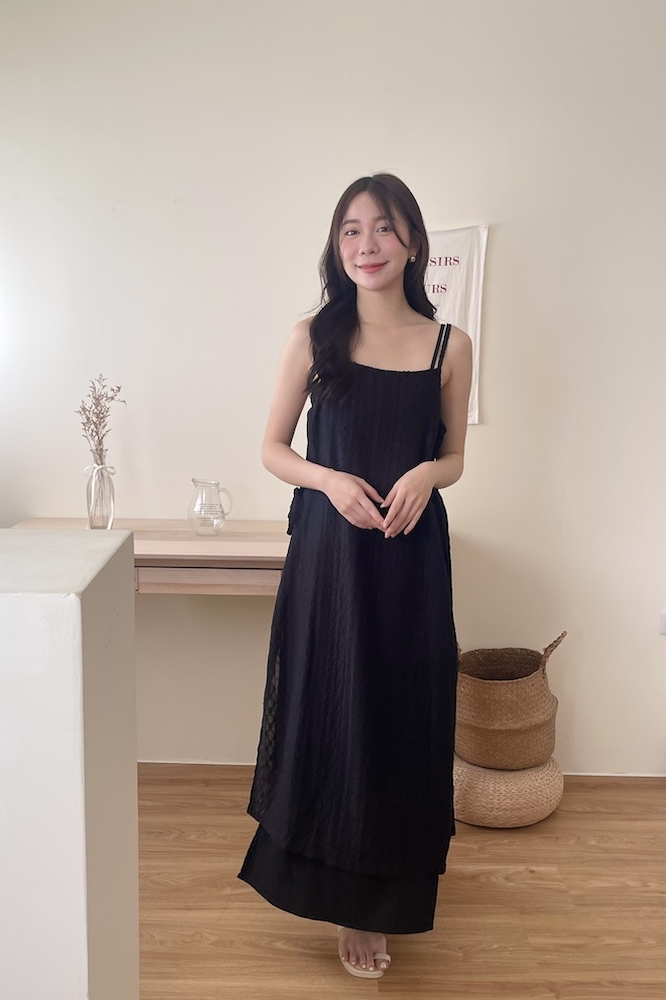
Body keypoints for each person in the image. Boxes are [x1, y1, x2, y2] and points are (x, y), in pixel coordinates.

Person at [238, 173, 472, 980]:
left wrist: (427, 474)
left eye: (382, 228)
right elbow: (272, 449)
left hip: (410, 555)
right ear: (337, 246)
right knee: (334, 707)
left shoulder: (449, 346)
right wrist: (329, 480)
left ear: (413, 243)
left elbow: (455, 457)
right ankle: (343, 896)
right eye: (350, 230)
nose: (366, 245)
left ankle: (386, 893)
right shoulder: (313, 336)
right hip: (330, 557)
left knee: (404, 712)